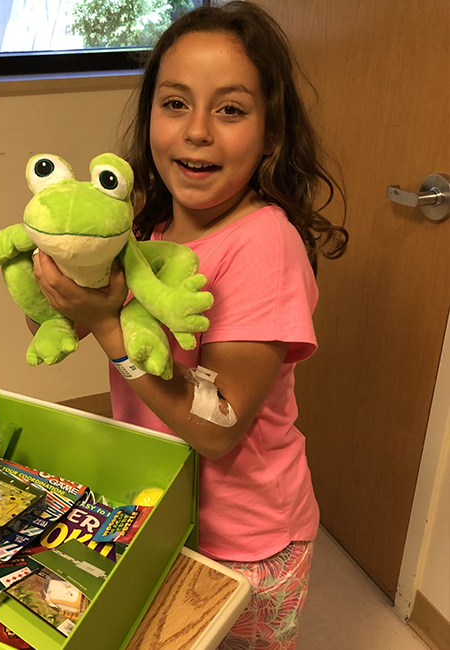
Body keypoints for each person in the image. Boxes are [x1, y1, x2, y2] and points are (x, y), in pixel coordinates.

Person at [29, 2, 349, 648]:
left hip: (245, 544)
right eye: (175, 104)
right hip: (161, 513)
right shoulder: (148, 229)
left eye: (230, 109)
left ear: (273, 134)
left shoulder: (263, 245)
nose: (197, 130)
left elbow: (217, 425)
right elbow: (98, 335)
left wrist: (108, 326)